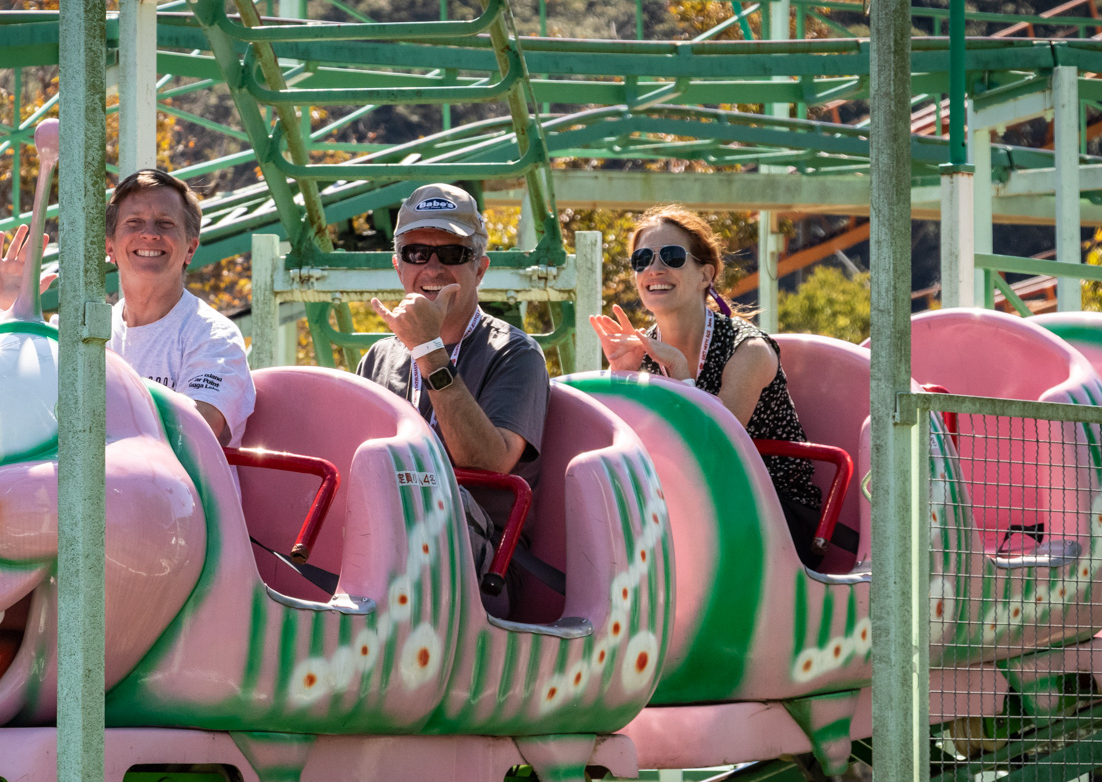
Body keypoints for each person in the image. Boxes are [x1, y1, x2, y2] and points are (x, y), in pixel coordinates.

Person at [588, 204, 836, 563]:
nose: (654, 269)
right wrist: (621, 375)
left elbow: (715, 449)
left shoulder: (748, 349)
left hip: (772, 509)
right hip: (688, 505)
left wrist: (678, 373)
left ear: (706, 274)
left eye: (671, 256)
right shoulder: (641, 350)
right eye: (642, 259)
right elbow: (630, 450)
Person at [357, 184, 550, 615]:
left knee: (423, 495)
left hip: (487, 568)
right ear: (398, 267)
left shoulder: (516, 354)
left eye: (453, 255)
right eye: (416, 253)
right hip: (384, 549)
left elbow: (487, 462)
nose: (433, 267)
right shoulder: (379, 356)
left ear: (479, 269)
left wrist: (428, 351)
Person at [0, 168, 254, 445]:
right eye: (134, 222)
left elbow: (196, 433)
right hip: (94, 487)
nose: (149, 234)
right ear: (109, 247)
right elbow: (7, 395)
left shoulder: (213, 335)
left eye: (165, 224)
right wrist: (3, 313)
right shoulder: (84, 329)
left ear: (190, 248)